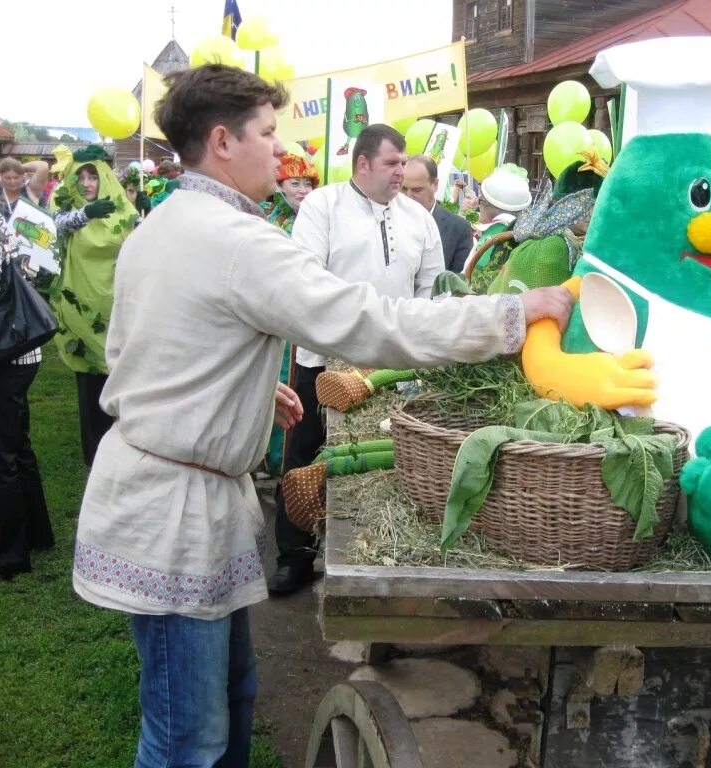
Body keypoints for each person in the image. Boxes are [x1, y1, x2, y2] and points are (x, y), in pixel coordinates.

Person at [70, 64, 571, 768]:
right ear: (221, 141)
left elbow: (138, 349)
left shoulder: (165, 222)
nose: (281, 149)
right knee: (187, 737)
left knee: (234, 695)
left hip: (166, 488)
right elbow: (369, 323)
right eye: (268, 133)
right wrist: (512, 315)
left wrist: (237, 390)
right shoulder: (237, 241)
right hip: (170, 515)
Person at [275, 124, 445, 596]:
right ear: (363, 163)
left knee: (376, 458)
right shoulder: (322, 206)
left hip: (393, 365)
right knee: (304, 450)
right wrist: (351, 337)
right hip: (324, 355)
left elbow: (430, 289)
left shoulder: (419, 219)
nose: (402, 171)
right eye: (392, 163)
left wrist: (412, 349)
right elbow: (307, 277)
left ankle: (366, 552)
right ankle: (294, 555)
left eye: (404, 162)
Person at [0, 168, 54, 580]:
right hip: (12, 354)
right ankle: (35, 534)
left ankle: (11, 554)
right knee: (15, 447)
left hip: (3, 357)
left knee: (0, 456)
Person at [51, 146, 137, 466]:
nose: (87, 184)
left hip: (117, 310)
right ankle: (96, 454)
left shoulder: (123, 212)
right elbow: (57, 224)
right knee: (90, 386)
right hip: (82, 313)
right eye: (81, 177)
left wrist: (145, 214)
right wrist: (86, 214)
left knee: (121, 383)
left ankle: (124, 451)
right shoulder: (70, 211)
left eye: (93, 176)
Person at [261, 152, 319, 477]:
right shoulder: (267, 219)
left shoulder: (316, 220)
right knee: (278, 384)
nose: (302, 189)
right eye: (294, 182)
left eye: (308, 183)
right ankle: (273, 463)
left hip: (306, 320)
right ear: (280, 184)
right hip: (275, 318)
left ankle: (290, 468)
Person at [402, 154, 473, 273]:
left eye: (417, 190)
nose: (409, 196)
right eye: (404, 189)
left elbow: (456, 283)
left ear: (435, 185)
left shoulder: (458, 228)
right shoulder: (388, 220)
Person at [261, 151, 318, 235]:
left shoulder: (318, 217)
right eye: (295, 184)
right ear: (279, 186)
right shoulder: (261, 212)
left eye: (308, 184)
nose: (303, 190)